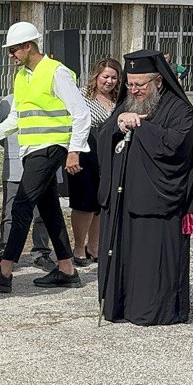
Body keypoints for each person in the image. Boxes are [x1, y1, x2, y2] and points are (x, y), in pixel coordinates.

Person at [0, 21, 91, 293]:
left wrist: (74, 151)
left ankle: (4, 271)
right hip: (31, 150)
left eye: (13, 50)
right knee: (49, 209)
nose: (10, 56)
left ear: (28, 46)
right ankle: (67, 269)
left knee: (22, 205)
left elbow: (81, 114)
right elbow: (17, 116)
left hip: (50, 148)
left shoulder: (56, 72)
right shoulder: (22, 76)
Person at [98, 50, 193, 326]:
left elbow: (177, 147)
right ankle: (119, 307)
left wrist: (142, 129)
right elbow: (104, 136)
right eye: (129, 84)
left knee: (151, 263)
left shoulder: (179, 110)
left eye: (139, 85)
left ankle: (153, 310)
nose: (133, 90)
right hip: (124, 201)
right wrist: (119, 125)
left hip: (157, 205)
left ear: (158, 81)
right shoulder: (127, 104)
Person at [67, 58, 122, 267]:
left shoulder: (119, 98)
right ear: (96, 76)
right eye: (105, 76)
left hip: (109, 154)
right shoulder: (82, 95)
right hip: (85, 152)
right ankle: (79, 247)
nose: (109, 81)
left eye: (114, 77)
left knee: (101, 202)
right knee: (84, 202)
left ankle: (94, 245)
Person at [0, 93, 53, 267]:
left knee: (42, 213)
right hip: (15, 165)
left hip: (44, 164)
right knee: (10, 212)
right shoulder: (8, 101)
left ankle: (41, 252)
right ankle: (6, 252)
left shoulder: (52, 98)